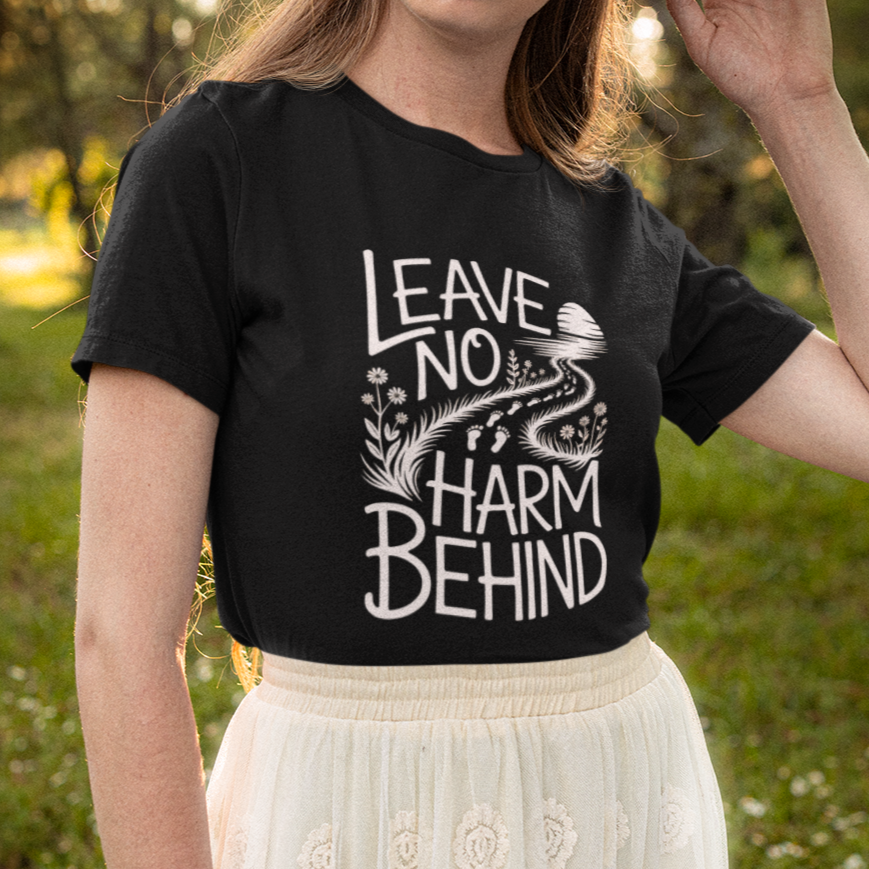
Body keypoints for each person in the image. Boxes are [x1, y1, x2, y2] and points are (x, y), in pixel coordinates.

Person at [71, 0, 869, 866]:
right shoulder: (217, 161)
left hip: (615, 804)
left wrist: (797, 100)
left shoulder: (612, 226)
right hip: (352, 811)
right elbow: (121, 637)